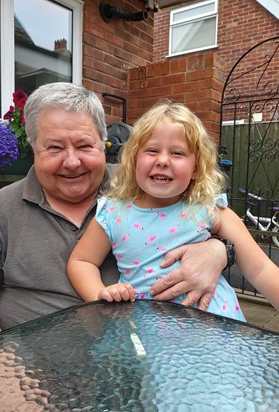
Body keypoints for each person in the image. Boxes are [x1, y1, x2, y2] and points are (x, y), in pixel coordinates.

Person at [0, 83, 229, 343]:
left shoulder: (144, 185)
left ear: (103, 144)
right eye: (55, 148)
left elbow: (210, 218)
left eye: (84, 146)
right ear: (33, 148)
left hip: (145, 366)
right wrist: (0, 370)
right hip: (31, 375)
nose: (72, 162)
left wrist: (220, 251)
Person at [68, 100, 279, 320]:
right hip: (149, 339)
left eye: (177, 153)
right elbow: (82, 262)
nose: (162, 160)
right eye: (152, 150)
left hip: (215, 332)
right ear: (133, 160)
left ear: (196, 168)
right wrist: (100, 296)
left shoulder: (208, 208)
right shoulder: (113, 213)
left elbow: (261, 270)